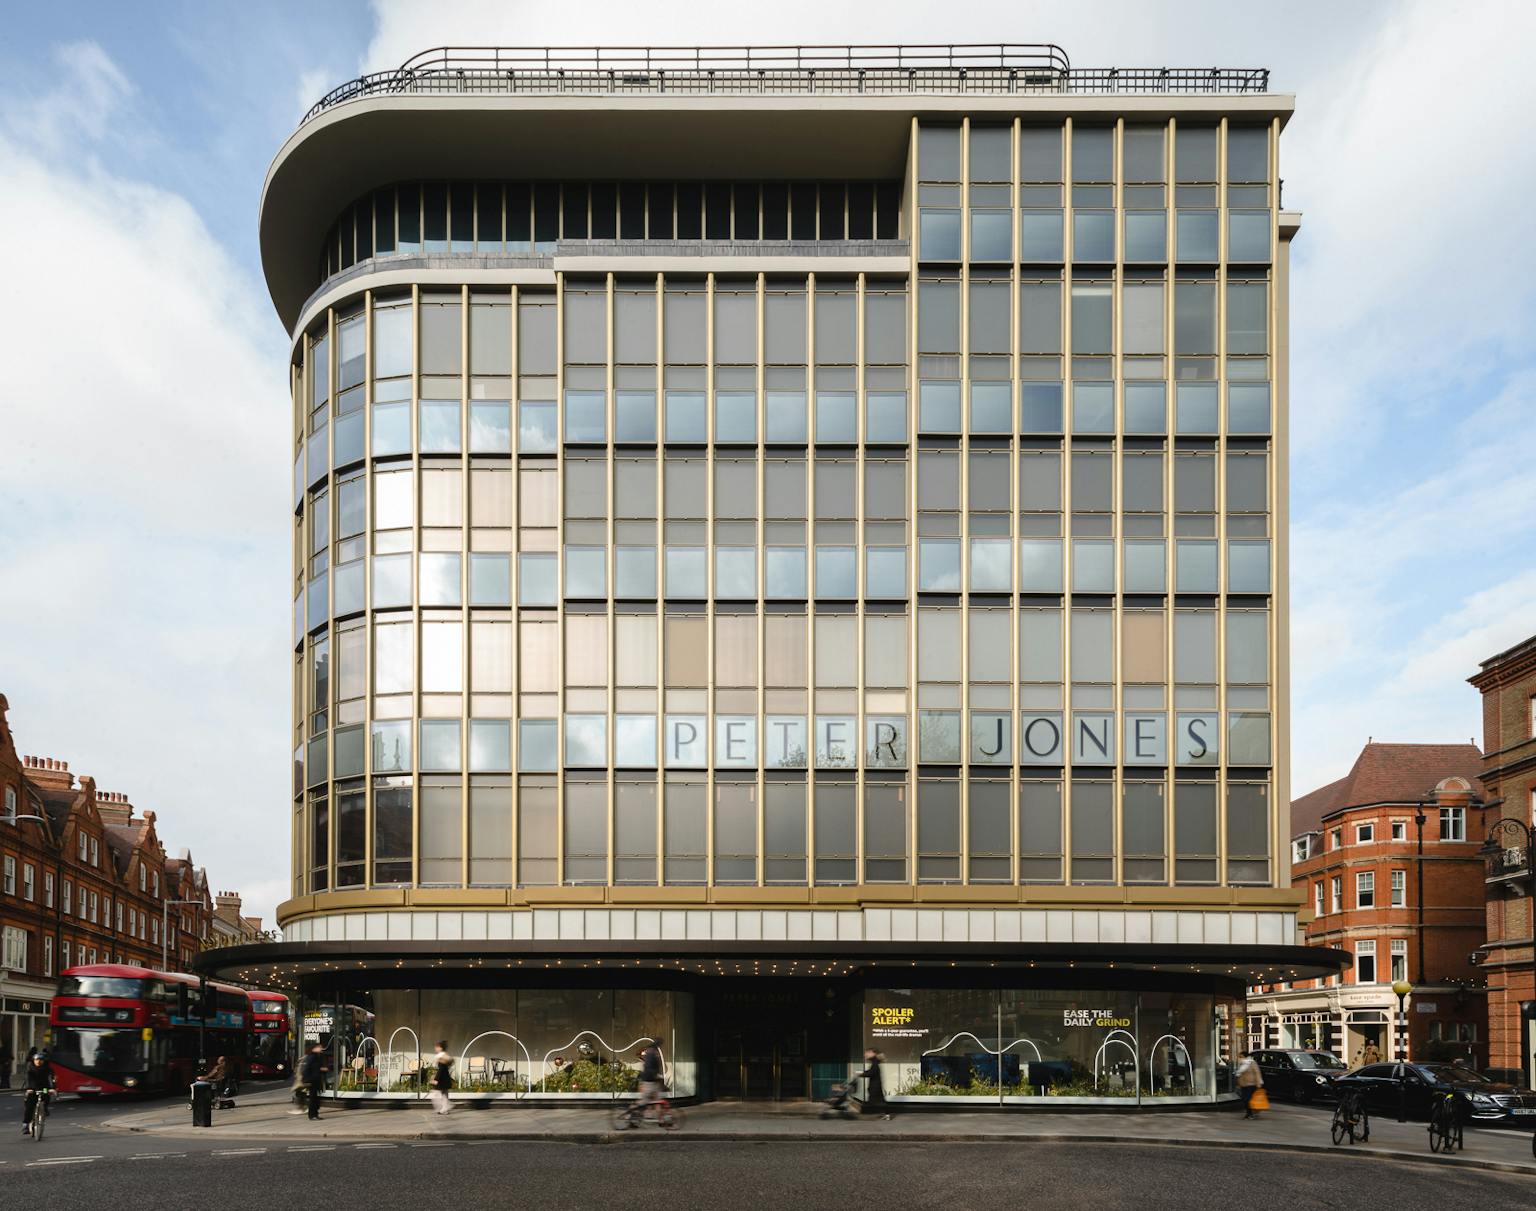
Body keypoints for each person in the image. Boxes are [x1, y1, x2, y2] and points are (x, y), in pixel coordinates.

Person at [21, 1052, 53, 1135]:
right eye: (36, 1060)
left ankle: (44, 1108)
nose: (38, 1061)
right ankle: (25, 1125)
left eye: (41, 1060)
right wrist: (29, 1088)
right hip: (32, 1087)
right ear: (33, 1060)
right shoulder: (30, 1068)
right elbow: (28, 1078)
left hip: (44, 1087)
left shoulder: (47, 1068)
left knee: (46, 1095)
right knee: (29, 1106)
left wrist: (52, 1088)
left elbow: (50, 1078)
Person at [633, 1042, 664, 1119]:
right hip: (649, 1081)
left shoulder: (648, 1056)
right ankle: (633, 1114)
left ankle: (658, 1118)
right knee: (648, 1100)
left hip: (649, 1081)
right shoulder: (651, 1055)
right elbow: (651, 1069)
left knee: (651, 1100)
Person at [297, 1043, 326, 1120]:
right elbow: (307, 1068)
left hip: (316, 1079)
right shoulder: (312, 1057)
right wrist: (306, 1079)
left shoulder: (317, 1056)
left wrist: (321, 1069)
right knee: (313, 1098)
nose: (321, 1048)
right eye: (319, 1047)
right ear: (314, 1048)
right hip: (312, 1080)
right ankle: (312, 1115)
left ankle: (315, 1114)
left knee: (315, 1098)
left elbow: (316, 1067)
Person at [859, 1049, 889, 1118]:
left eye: (867, 1053)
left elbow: (872, 1072)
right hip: (876, 1085)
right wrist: (863, 1073)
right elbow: (871, 1071)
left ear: (873, 1053)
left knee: (875, 1101)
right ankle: (886, 1114)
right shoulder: (875, 1062)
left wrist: (861, 1074)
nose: (865, 1055)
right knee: (879, 1101)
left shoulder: (875, 1062)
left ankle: (886, 1114)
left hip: (875, 1086)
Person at [1234, 1050, 1264, 1119]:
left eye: (1240, 1056)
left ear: (1245, 1056)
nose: (1239, 1058)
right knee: (1245, 1099)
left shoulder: (1252, 1063)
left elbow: (1257, 1073)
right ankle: (1249, 1113)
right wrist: (1238, 1083)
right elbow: (1240, 1074)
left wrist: (1259, 1083)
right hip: (1244, 1084)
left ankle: (1250, 1113)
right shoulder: (1242, 1064)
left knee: (1248, 1099)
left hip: (1251, 1084)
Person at [429, 1041, 454, 1115]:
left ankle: (446, 1107)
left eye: (437, 1047)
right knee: (444, 1093)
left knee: (436, 1093)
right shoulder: (444, 1056)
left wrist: (436, 1079)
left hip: (442, 1078)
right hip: (444, 1077)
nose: (435, 1048)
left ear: (440, 1048)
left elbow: (441, 1069)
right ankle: (445, 1108)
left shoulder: (441, 1056)